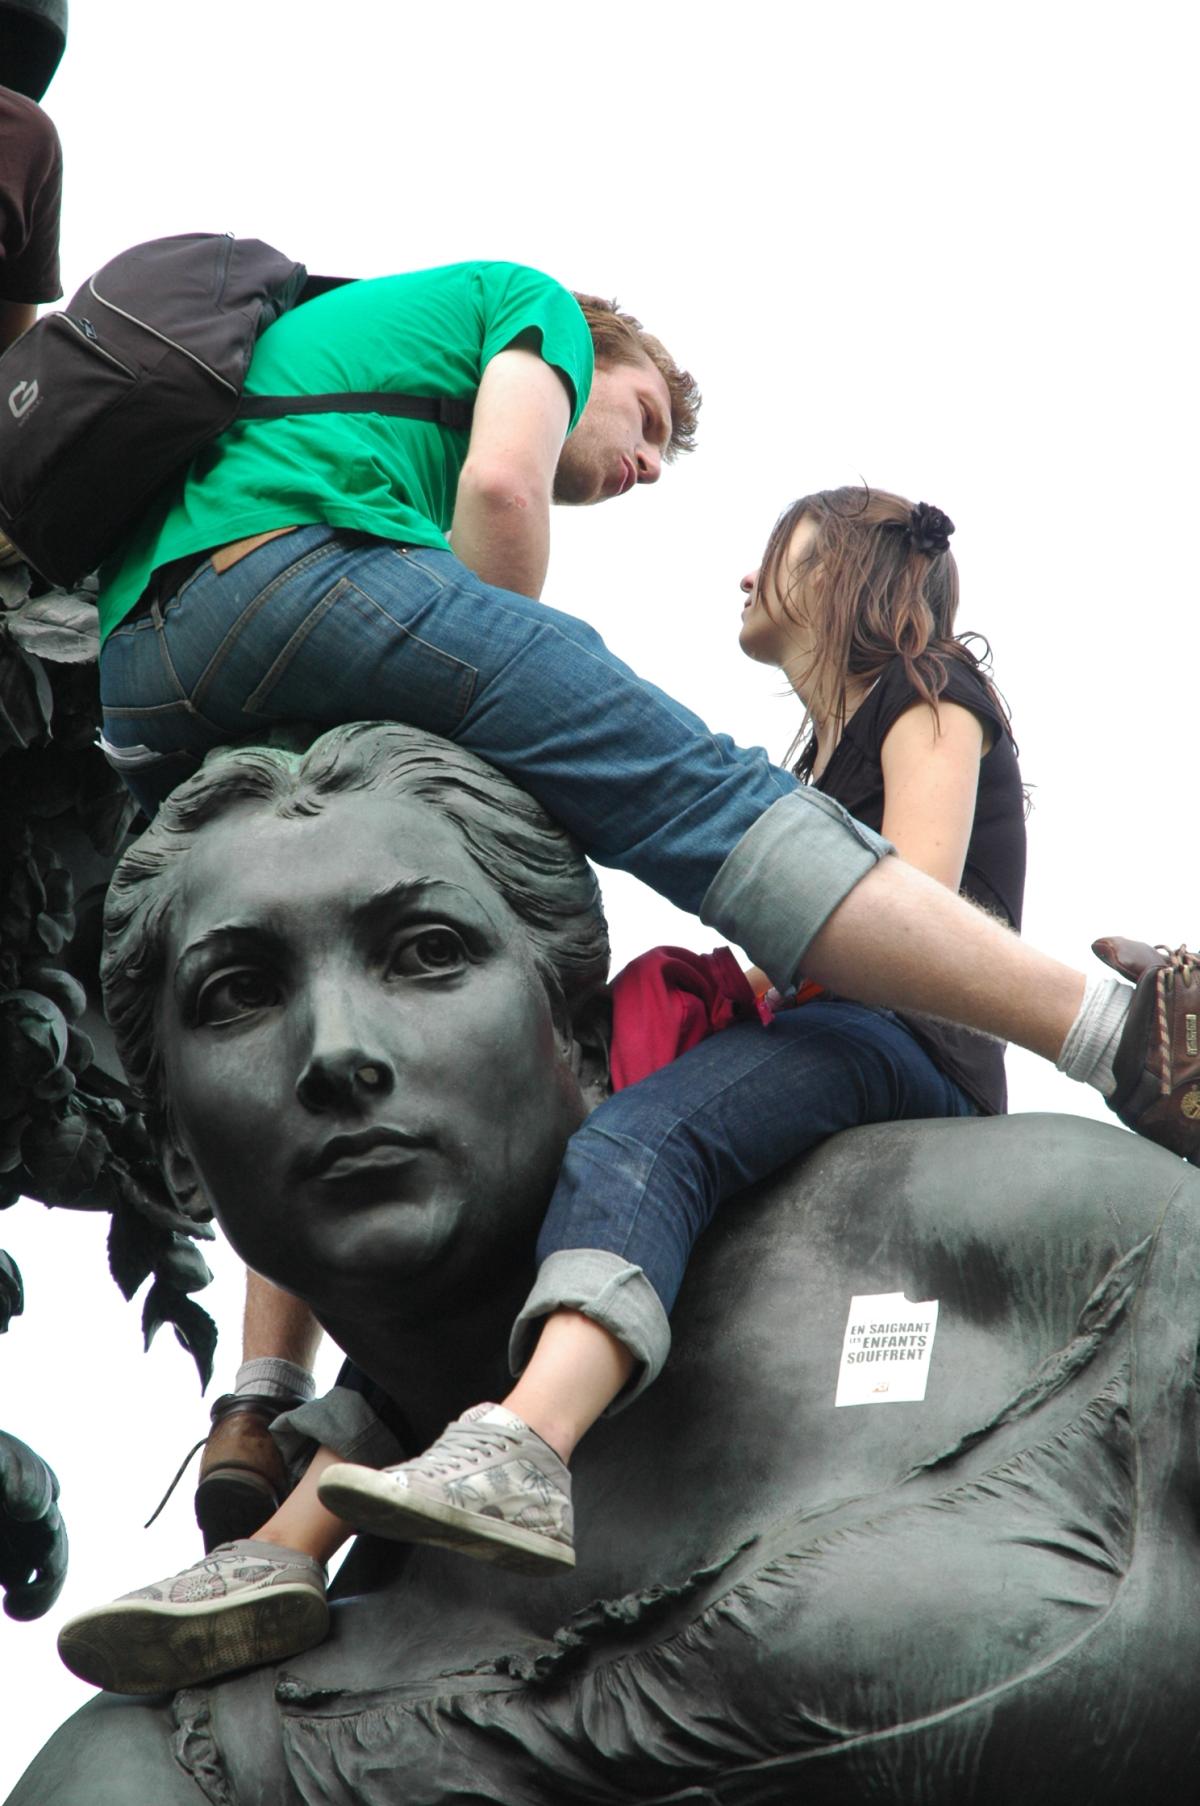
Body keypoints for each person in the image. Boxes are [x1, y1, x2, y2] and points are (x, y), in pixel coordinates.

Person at [93, 262, 1199, 1547]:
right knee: (685, 800)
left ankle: (275, 1479)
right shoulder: (537, 311)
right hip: (292, 588)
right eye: (648, 423)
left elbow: (922, 889)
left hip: (147, 661)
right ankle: (1132, 1029)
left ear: (838, 564)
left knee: (505, 1106)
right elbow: (504, 489)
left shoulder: (932, 695)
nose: (652, 467)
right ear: (596, 355)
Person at [28, 725, 1200, 1806]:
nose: (339, 1054)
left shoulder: (1077, 1245)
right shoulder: (163, 1763)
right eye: (240, 993)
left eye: (426, 954)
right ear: (174, 1148)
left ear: (583, 1041)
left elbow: (898, 900)